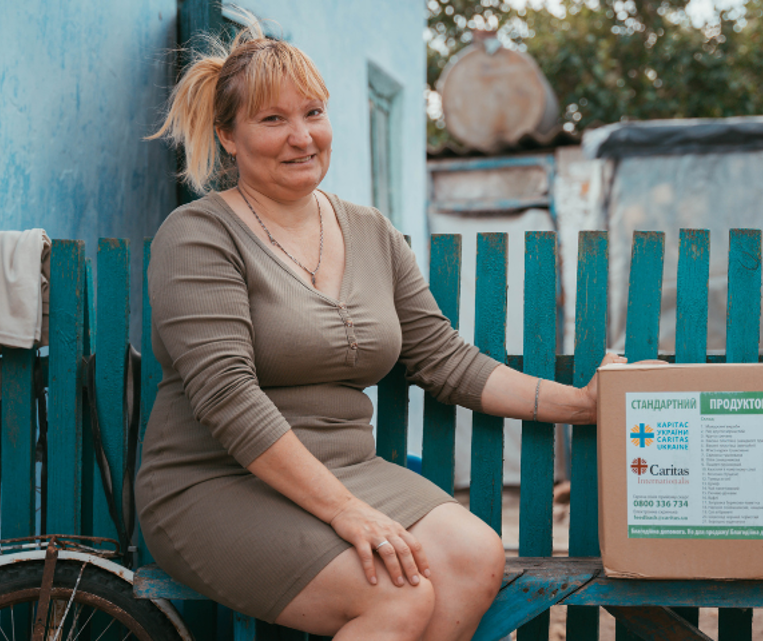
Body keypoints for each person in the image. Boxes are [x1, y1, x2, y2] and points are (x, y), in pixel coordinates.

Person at [138, 22, 624, 641]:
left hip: (350, 469)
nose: (301, 137)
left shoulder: (371, 231)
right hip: (215, 481)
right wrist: (347, 514)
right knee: (396, 597)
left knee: (475, 558)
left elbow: (447, 361)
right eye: (271, 120)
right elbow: (227, 397)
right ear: (227, 137)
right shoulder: (199, 234)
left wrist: (580, 404)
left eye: (313, 113)